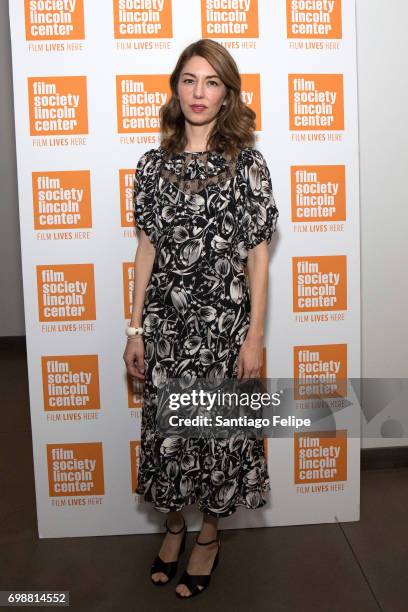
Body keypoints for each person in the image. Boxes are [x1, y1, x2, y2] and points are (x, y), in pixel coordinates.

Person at [123, 38, 279, 599]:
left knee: (218, 438)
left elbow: (258, 255)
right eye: (189, 79)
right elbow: (146, 251)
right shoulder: (151, 166)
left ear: (227, 93)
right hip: (166, 329)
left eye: (212, 82)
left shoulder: (247, 166)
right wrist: (134, 329)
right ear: (176, 88)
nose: (199, 92)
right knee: (168, 436)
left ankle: (209, 537)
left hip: (225, 331)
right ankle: (172, 529)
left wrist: (254, 335)